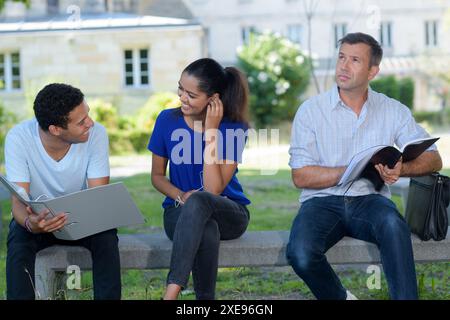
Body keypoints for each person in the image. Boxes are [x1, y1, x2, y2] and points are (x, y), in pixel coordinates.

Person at [286, 32, 442, 300]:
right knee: (299, 253)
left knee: (394, 226)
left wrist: (400, 169)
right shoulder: (310, 111)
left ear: (372, 71)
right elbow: (300, 175)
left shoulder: (392, 110)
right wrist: (352, 169)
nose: (343, 66)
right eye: (341, 57)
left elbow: (434, 158)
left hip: (370, 201)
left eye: (355, 60)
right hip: (321, 203)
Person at [5, 83, 121, 300]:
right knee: (19, 236)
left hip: (83, 219)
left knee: (106, 235)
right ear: (56, 129)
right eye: (81, 122)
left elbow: (98, 195)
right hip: (40, 220)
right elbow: (19, 201)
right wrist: (32, 224)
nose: (91, 123)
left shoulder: (96, 134)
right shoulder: (19, 138)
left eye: (87, 114)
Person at [148, 58, 251, 300]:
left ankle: (170, 294)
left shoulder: (234, 128)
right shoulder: (166, 120)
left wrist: (211, 132)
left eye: (191, 95)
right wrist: (180, 195)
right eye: (180, 89)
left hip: (229, 212)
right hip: (178, 212)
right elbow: (157, 177)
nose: (182, 97)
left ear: (213, 98)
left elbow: (213, 189)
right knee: (205, 227)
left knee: (201, 201)